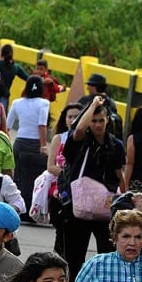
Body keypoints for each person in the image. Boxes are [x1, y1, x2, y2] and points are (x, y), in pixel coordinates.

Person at [59, 95, 126, 282]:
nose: (97, 125)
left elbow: (118, 174)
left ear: (108, 121)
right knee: (74, 257)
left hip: (105, 208)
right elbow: (79, 128)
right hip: (78, 207)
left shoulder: (115, 145)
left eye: (101, 120)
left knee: (107, 253)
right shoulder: (80, 141)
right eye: (94, 120)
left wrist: (125, 197)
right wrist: (94, 104)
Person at [7, 75, 50, 220]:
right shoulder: (44, 103)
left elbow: (7, 125)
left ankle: (17, 209)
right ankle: (33, 210)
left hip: (19, 143)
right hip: (35, 144)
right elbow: (42, 125)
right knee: (35, 179)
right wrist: (43, 146)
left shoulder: (17, 102)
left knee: (18, 177)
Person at [46, 104, 82, 258]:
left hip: (80, 192)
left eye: (77, 116)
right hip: (60, 190)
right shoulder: (59, 138)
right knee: (60, 230)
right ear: (64, 119)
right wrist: (70, 174)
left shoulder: (87, 139)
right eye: (70, 116)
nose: (73, 120)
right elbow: (51, 166)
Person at [0, 44, 28, 114]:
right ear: (12, 54)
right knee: (0, 120)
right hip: (3, 97)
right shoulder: (16, 68)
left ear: (2, 53)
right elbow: (27, 78)